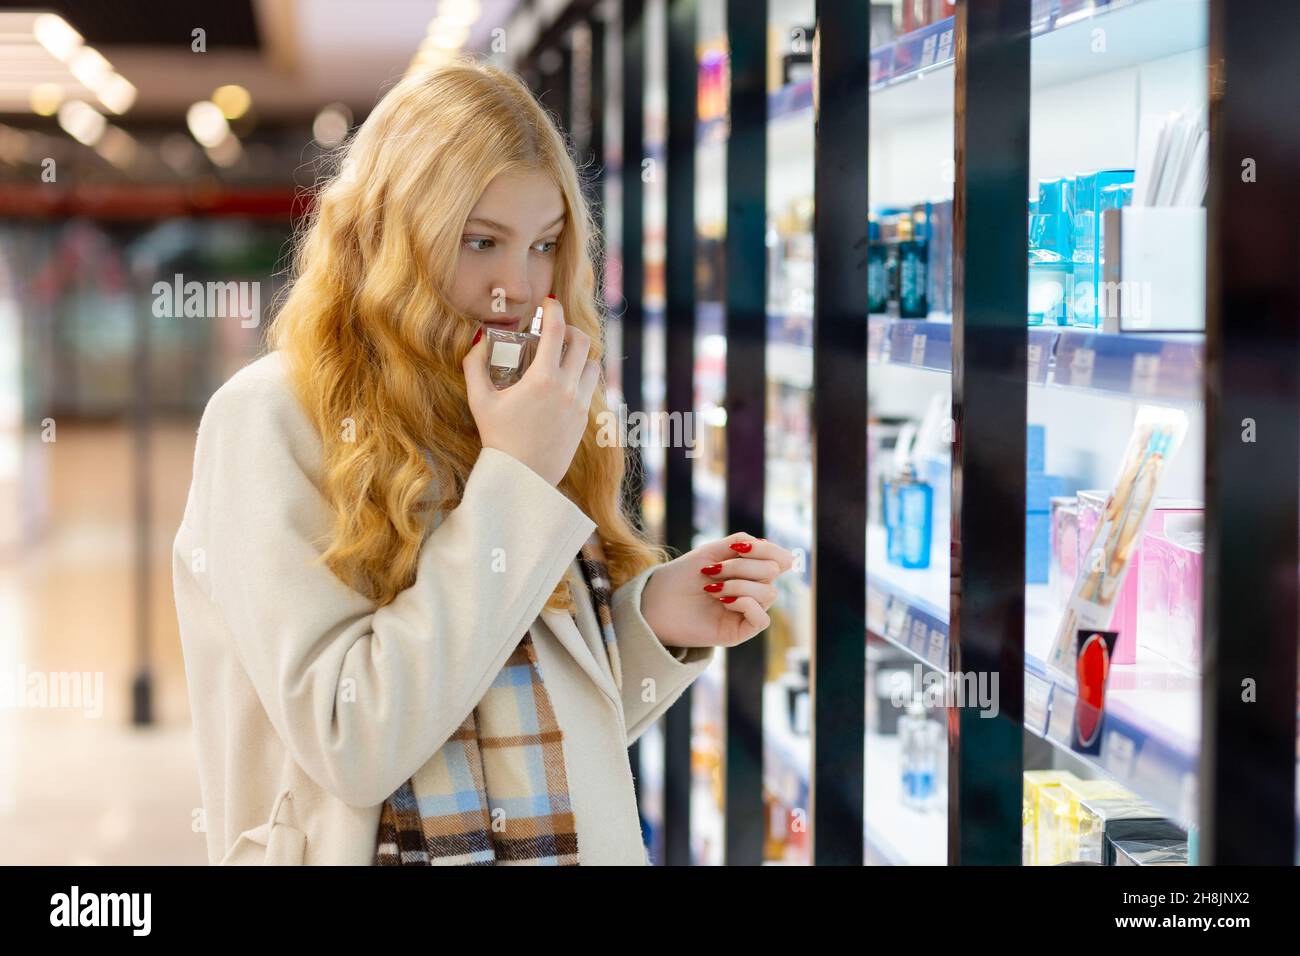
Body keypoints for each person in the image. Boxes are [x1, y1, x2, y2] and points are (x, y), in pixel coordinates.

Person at [172, 58, 794, 865]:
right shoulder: (269, 420)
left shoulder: (499, 402)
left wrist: (651, 623)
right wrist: (519, 479)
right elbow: (353, 739)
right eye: (480, 241)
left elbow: (528, 722)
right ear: (391, 234)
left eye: (543, 245)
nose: (519, 287)